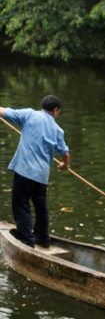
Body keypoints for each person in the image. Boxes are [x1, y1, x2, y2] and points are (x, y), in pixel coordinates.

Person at [0, 95, 70, 248]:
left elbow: (5, 112)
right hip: (41, 177)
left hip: (23, 172)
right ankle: (42, 238)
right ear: (55, 110)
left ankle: (26, 240)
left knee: (21, 205)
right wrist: (65, 165)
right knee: (41, 208)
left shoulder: (29, 114)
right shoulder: (57, 130)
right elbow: (64, 153)